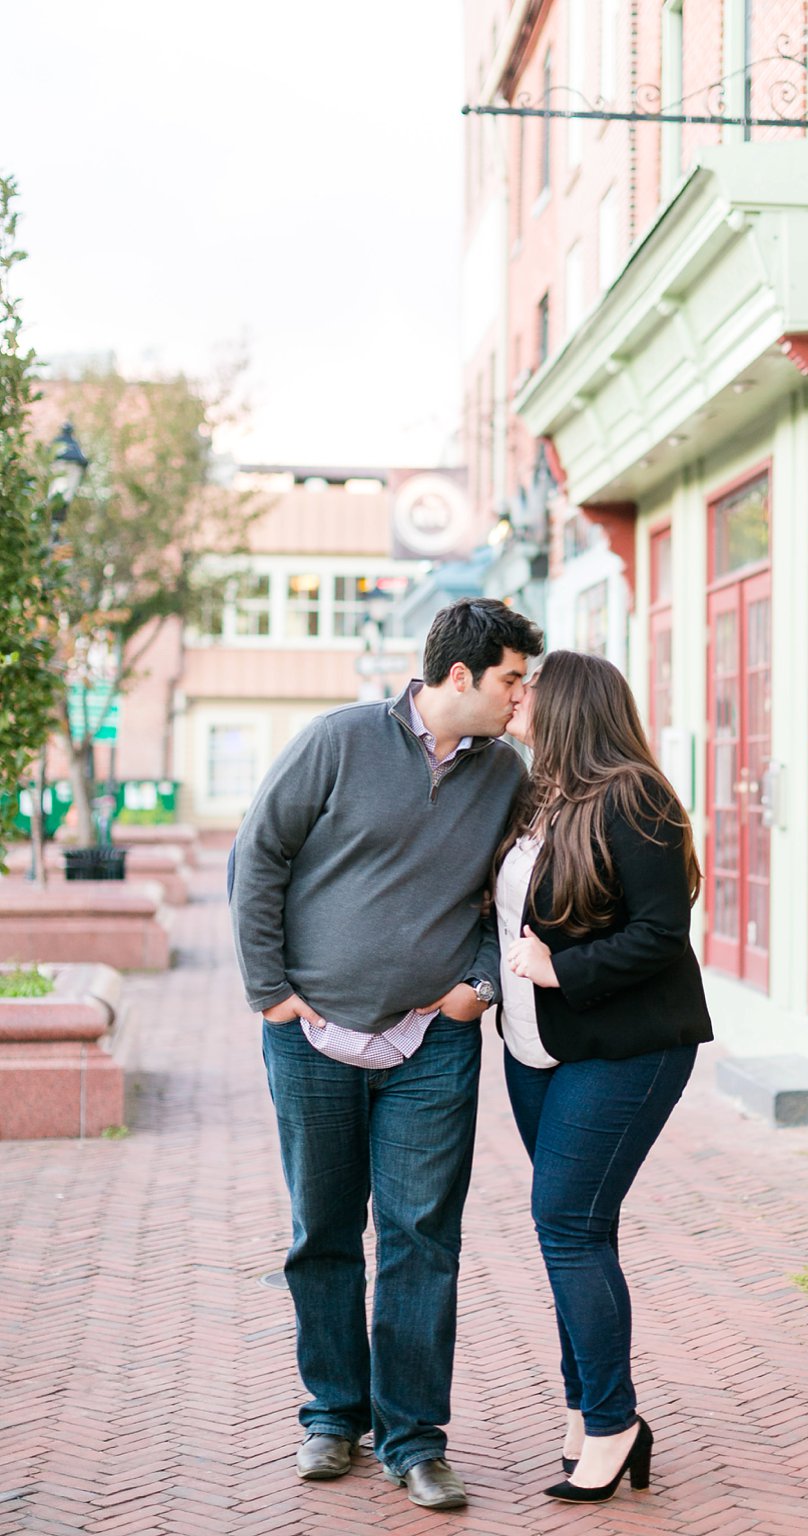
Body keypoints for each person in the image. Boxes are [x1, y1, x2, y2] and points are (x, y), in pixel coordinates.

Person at [231, 598, 543, 1510]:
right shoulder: (338, 741)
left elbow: (510, 900)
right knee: (323, 1229)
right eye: (512, 681)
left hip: (429, 1040)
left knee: (420, 1237)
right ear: (460, 677)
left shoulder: (506, 775)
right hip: (312, 1034)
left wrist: (475, 989)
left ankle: (414, 1439)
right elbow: (259, 860)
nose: (520, 701)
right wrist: (271, 995)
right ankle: (333, 1417)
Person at [491, 650, 715, 1503]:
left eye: (529, 690)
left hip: (627, 1046)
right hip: (533, 1052)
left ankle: (615, 1420)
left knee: (564, 1223)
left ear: (569, 705)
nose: (516, 700)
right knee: (580, 1230)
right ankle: (589, 1411)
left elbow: (662, 931)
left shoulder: (635, 796)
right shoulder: (532, 797)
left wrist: (563, 972)